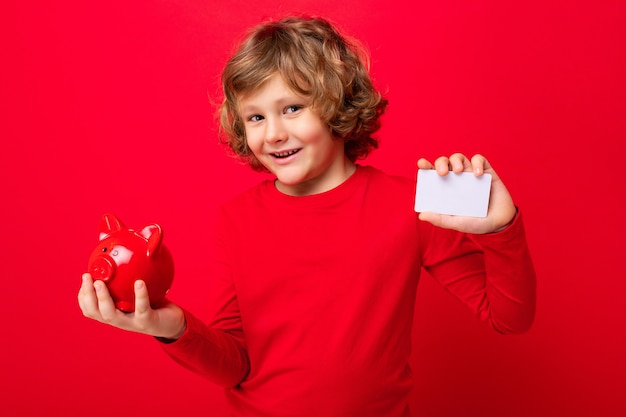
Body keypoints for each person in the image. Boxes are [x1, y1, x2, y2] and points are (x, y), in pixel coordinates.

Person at [78, 15, 536, 417]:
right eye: (255, 117)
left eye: (292, 108)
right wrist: (169, 327)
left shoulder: (412, 204)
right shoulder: (236, 218)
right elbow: (235, 365)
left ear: (337, 101)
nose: (274, 133)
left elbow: (509, 318)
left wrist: (501, 229)